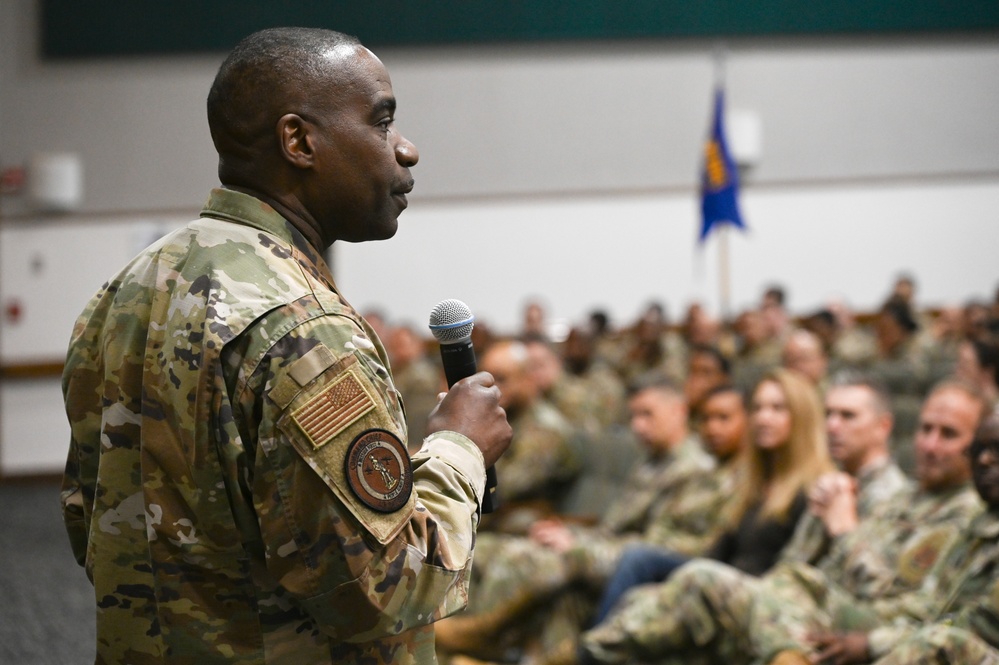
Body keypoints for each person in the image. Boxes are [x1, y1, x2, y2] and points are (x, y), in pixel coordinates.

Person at [60, 27, 512, 665]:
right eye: (382, 123)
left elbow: (91, 517)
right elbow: (383, 590)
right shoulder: (303, 329)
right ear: (299, 141)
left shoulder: (128, 289)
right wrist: (460, 449)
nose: (406, 150)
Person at [578, 380, 986, 665]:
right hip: (795, 599)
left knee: (692, 580)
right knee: (650, 606)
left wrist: (843, 530)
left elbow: (899, 601)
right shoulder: (899, 497)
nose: (930, 444)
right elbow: (793, 566)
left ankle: (589, 654)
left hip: (843, 622)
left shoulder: (965, 515)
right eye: (926, 430)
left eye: (948, 434)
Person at [433, 377, 734, 662]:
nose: (637, 426)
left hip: (649, 567)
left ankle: (487, 635)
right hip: (617, 552)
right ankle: (485, 641)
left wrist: (578, 545)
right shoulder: (653, 462)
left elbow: (658, 549)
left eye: (647, 414)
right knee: (496, 550)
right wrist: (570, 532)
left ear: (678, 411)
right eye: (633, 416)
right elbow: (612, 527)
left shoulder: (695, 471)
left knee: (535, 560)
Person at [588, 368, 834, 631]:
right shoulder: (757, 482)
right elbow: (718, 552)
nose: (763, 418)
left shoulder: (817, 487)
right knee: (641, 584)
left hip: (754, 597)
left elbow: (793, 575)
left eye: (777, 409)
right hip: (717, 579)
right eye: (758, 408)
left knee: (639, 561)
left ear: (802, 416)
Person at [478, 339, 580, 532]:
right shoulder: (506, 417)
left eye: (501, 379)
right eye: (486, 380)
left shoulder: (545, 429)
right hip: (496, 514)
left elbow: (507, 486)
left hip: (532, 520)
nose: (492, 389)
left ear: (528, 378)